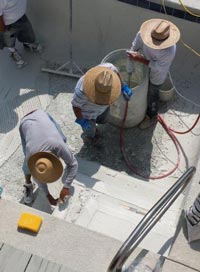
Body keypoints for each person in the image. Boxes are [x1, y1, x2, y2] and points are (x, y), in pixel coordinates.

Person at [127, 19, 180, 129]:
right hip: (145, 63)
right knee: (145, 87)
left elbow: (159, 67)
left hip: (158, 73)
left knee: (152, 93)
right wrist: (130, 67)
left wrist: (140, 59)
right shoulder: (143, 34)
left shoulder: (169, 50)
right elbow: (134, 47)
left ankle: (152, 116)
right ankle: (145, 105)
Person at [19, 110, 78, 206]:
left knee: (63, 139)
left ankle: (67, 154)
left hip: (41, 114)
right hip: (26, 123)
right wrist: (47, 195)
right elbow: (37, 177)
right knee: (27, 168)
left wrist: (66, 186)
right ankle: (28, 185)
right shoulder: (30, 155)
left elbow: (74, 164)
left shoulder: (57, 145)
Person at [71, 62, 132, 145]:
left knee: (103, 119)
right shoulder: (81, 92)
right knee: (90, 130)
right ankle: (91, 137)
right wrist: (82, 121)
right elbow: (76, 106)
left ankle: (96, 128)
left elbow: (116, 72)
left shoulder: (109, 70)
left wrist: (123, 85)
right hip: (88, 115)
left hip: (102, 109)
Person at [0, 0, 42, 68]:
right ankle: (13, 52)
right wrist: (2, 31)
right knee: (9, 40)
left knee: (27, 32)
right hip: (9, 24)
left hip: (22, 16)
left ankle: (27, 44)